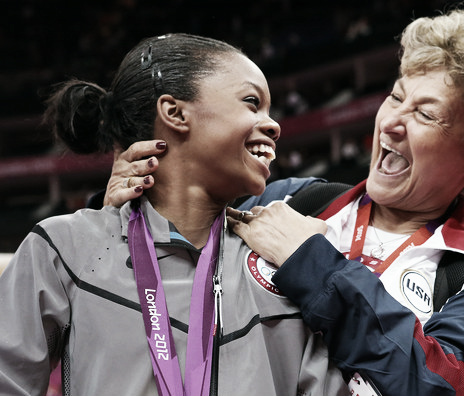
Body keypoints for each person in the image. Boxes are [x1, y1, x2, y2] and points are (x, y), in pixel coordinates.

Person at [105, 9, 464, 396]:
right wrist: (123, 212)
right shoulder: (292, 199)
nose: (392, 123)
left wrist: (313, 264)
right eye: (397, 97)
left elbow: (435, 384)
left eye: (426, 113)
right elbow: (164, 282)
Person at [0, 33, 348, 396]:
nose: (274, 125)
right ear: (176, 113)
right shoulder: (65, 248)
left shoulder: (282, 265)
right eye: (252, 102)